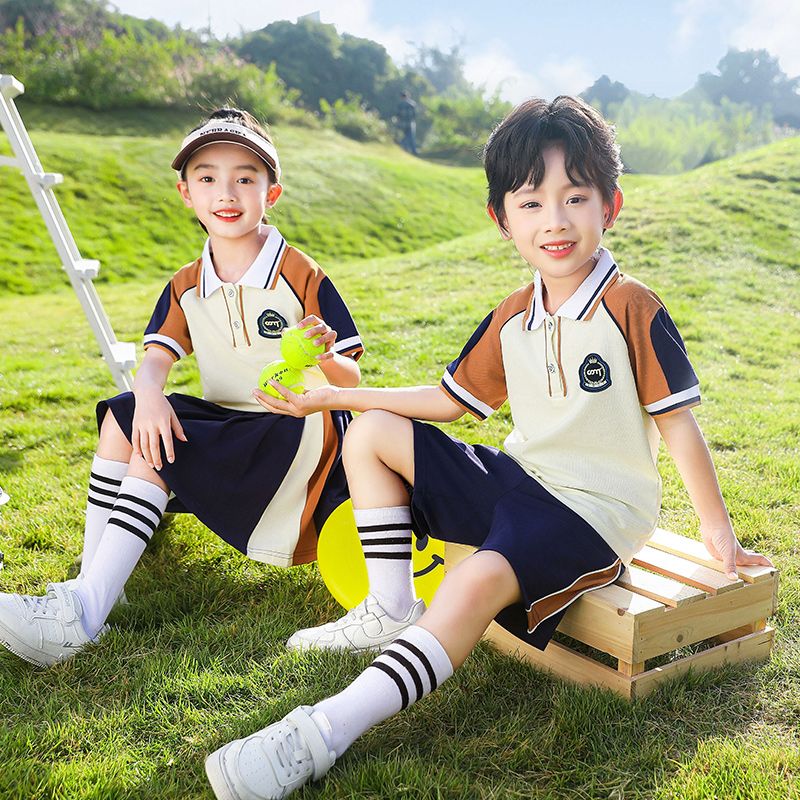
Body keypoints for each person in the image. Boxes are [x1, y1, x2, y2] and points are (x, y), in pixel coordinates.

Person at [203, 96, 774, 800]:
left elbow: (679, 423)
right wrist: (335, 397)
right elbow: (449, 401)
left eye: (576, 197)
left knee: (472, 582)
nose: (555, 221)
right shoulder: (513, 314)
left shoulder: (633, 307)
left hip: (594, 512)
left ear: (611, 205)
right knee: (377, 432)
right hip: (523, 479)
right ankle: (390, 606)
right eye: (531, 203)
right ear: (502, 219)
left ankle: (321, 731)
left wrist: (718, 536)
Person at [0, 107, 365, 668]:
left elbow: (352, 376)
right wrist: (149, 396)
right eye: (208, 178)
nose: (227, 191)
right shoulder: (187, 284)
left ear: (273, 192)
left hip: (296, 436)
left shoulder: (300, 273)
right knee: (128, 415)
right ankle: (94, 586)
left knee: (157, 441)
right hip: (233, 425)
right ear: (185, 193)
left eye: (246, 177)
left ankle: (80, 614)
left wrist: (323, 356)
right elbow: (155, 360)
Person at [395, 90, 418, 155]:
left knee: (408, 136)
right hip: (410, 123)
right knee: (410, 137)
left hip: (402, 124)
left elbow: (398, 115)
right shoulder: (412, 104)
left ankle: (407, 150)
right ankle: (411, 150)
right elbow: (414, 115)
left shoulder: (400, 105)